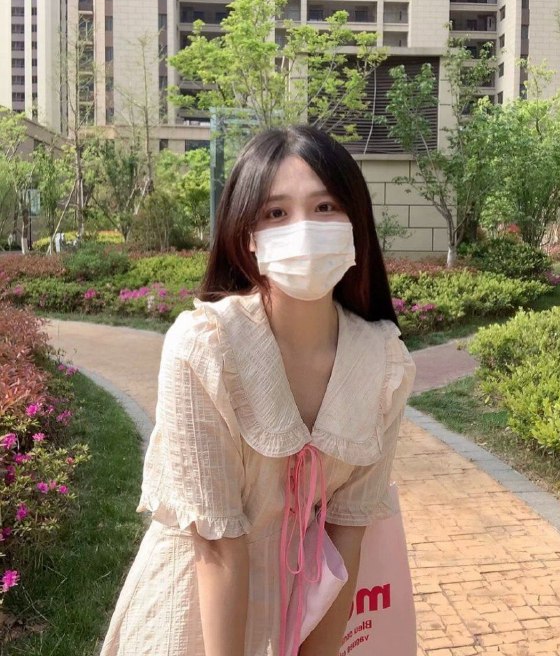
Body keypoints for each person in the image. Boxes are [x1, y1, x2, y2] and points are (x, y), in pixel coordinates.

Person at [99, 125, 416, 656]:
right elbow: (218, 547)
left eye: (325, 207)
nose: (304, 229)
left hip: (300, 611)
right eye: (276, 213)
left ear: (355, 224)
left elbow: (348, 532)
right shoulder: (206, 348)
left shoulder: (383, 362)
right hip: (195, 615)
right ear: (247, 235)